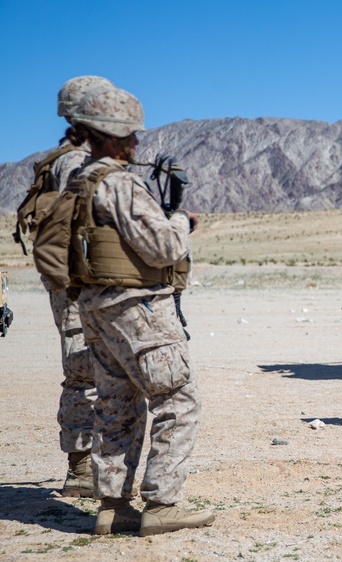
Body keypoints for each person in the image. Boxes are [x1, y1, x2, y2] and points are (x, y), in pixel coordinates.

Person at [67, 85, 214, 535]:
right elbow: (163, 248)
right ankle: (162, 504)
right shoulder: (119, 183)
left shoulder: (80, 181)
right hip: (137, 308)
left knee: (117, 404)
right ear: (109, 135)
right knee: (178, 398)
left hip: (97, 310)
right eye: (129, 135)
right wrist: (179, 221)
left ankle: (112, 506)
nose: (135, 143)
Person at [22, 75, 114, 498]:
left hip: (75, 281)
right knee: (86, 369)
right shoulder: (75, 163)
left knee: (88, 368)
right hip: (81, 283)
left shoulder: (62, 160)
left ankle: (89, 466)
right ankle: (82, 469)